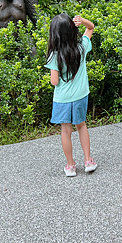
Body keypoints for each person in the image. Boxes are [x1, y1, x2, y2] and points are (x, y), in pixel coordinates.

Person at [45, 14, 98, 176]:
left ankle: (70, 166)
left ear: (54, 34)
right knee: (81, 126)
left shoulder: (54, 55)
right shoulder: (81, 46)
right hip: (81, 95)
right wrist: (82, 21)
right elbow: (91, 27)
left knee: (66, 131)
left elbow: (54, 82)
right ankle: (88, 160)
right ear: (72, 30)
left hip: (62, 100)